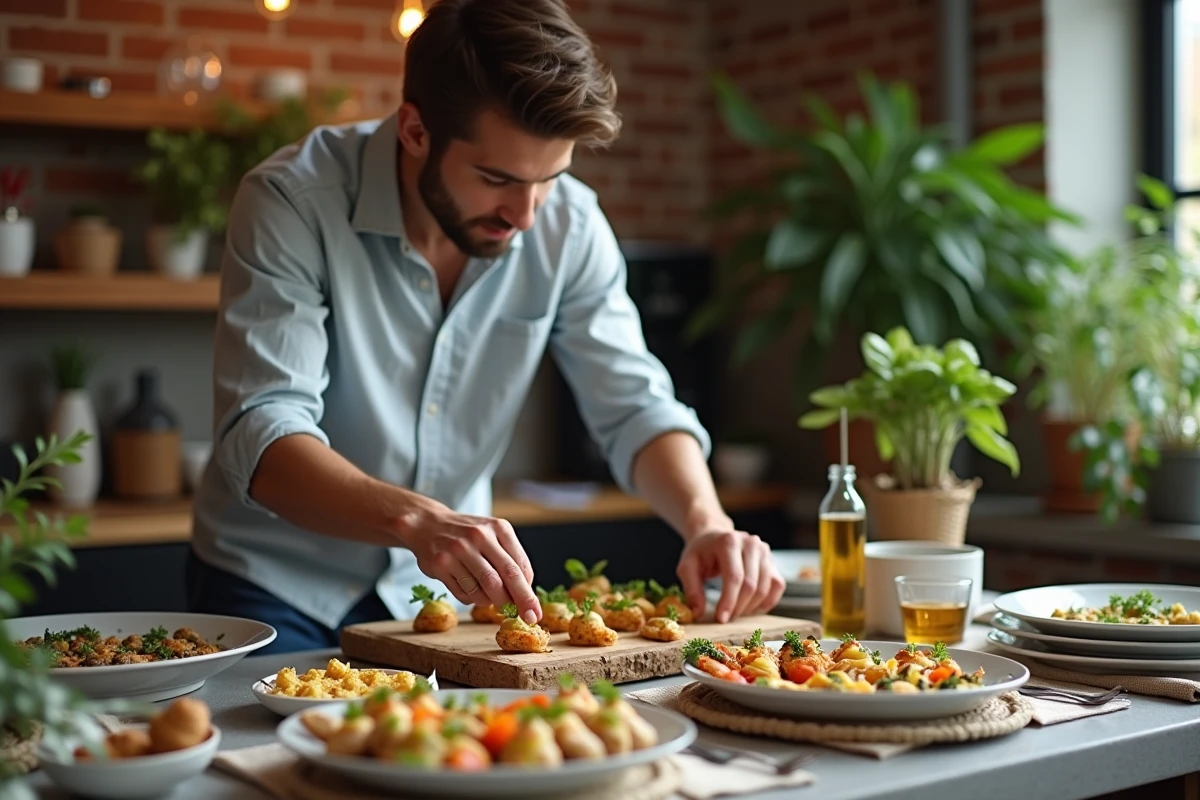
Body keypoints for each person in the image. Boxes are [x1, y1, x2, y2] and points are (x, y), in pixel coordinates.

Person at [188, 0, 786, 653]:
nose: (525, 216)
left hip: (441, 598)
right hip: (275, 584)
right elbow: (262, 429)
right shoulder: (291, 200)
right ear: (415, 131)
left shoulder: (570, 226)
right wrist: (418, 520)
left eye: (550, 178)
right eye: (497, 178)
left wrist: (706, 522)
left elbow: (634, 405)